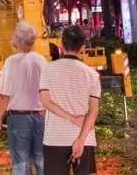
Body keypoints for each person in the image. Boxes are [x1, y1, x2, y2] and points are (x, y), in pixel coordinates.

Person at [39, 25, 100, 174]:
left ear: (61, 45)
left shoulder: (48, 69)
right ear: (82, 47)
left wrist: (71, 118)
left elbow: (45, 102)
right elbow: (93, 111)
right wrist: (81, 140)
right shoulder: (91, 74)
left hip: (55, 138)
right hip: (85, 139)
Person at [0, 21, 47, 175]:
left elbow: (5, 96)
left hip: (19, 119)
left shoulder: (11, 62)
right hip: (41, 117)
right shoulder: (41, 61)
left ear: (18, 39)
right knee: (41, 160)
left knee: (21, 163)